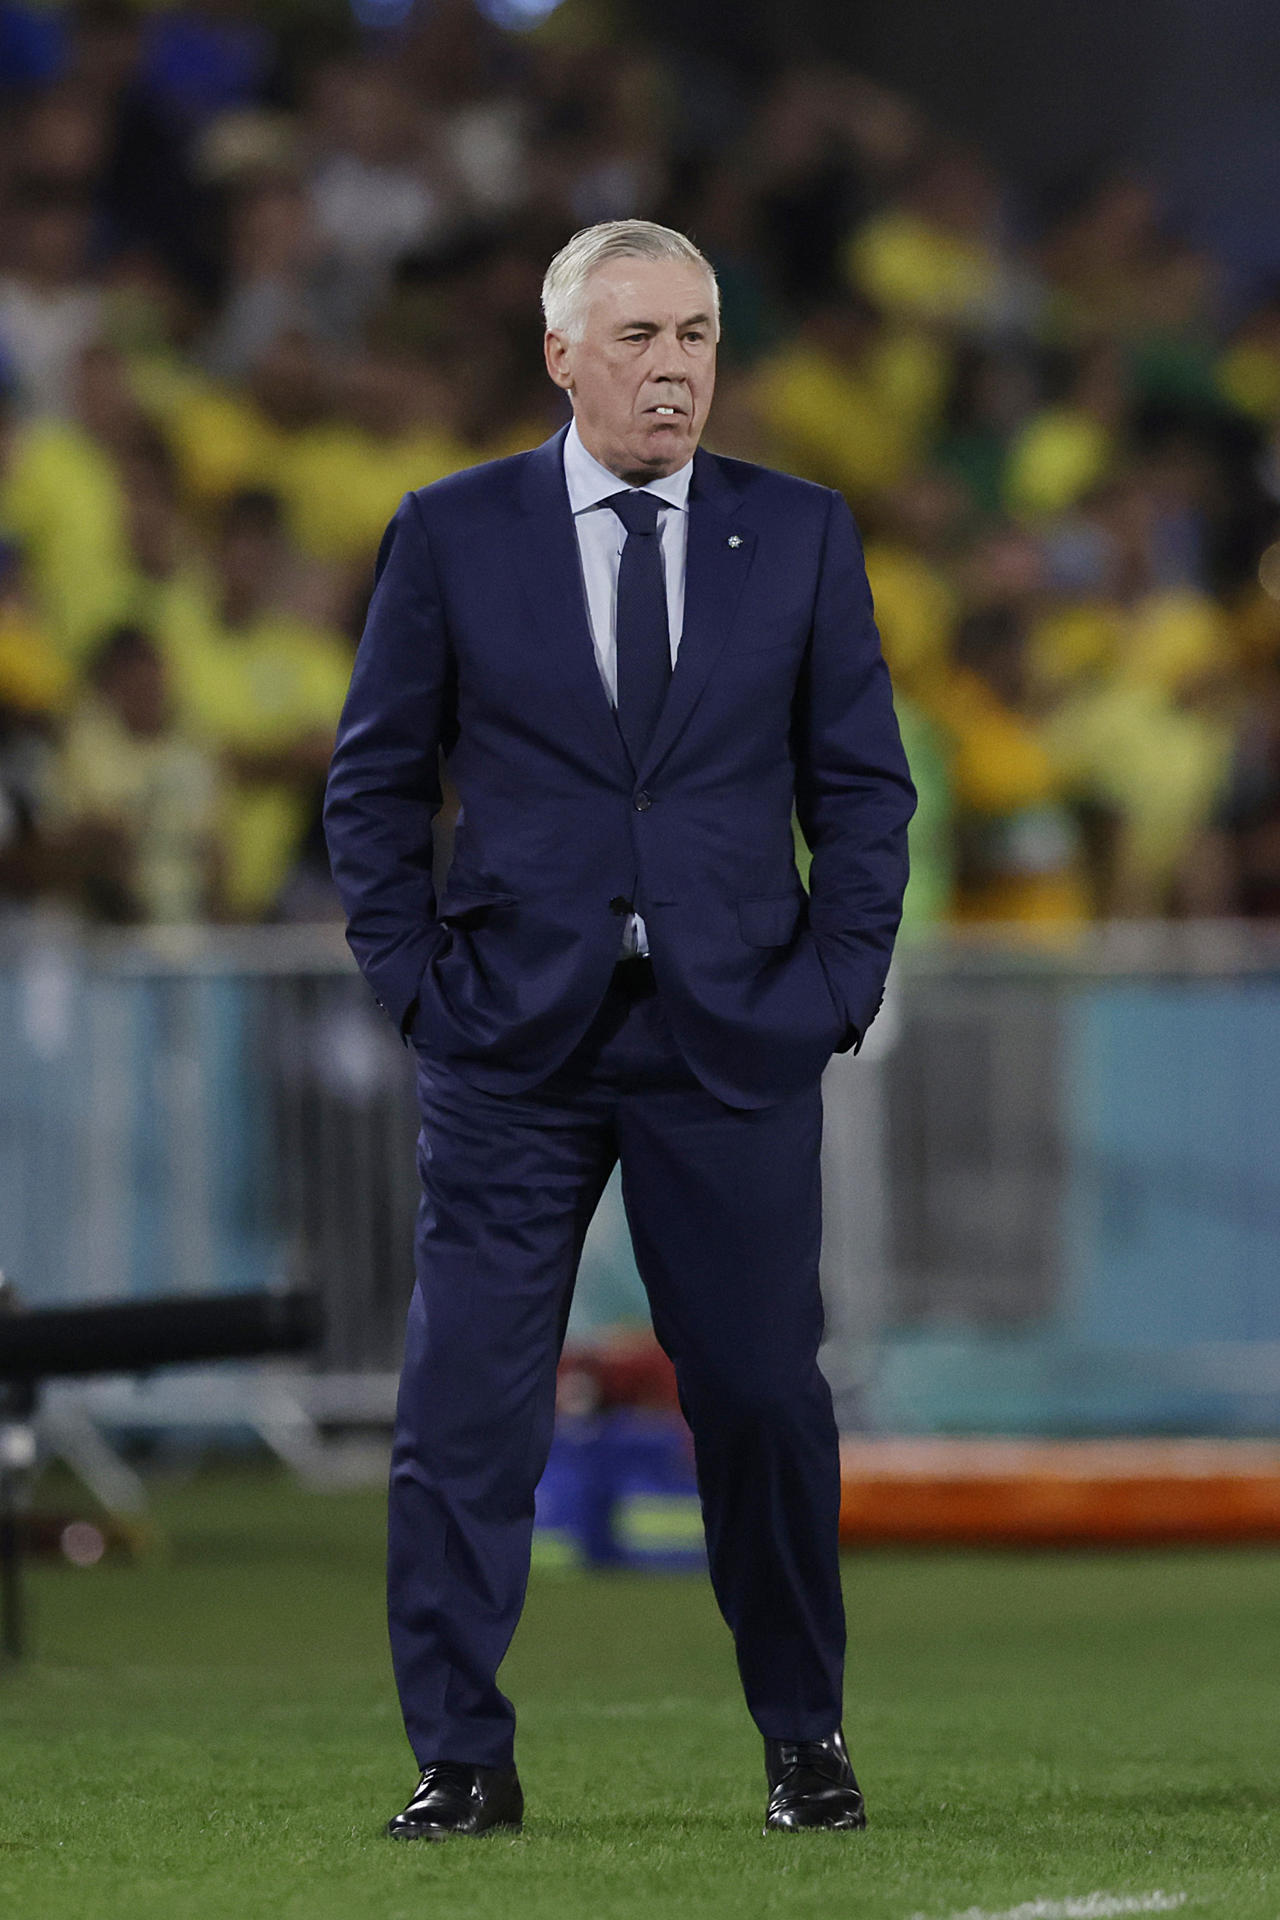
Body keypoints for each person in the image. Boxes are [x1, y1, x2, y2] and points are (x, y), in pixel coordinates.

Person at [324, 219, 916, 1841]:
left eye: (701, 336)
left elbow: (862, 787)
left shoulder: (797, 532)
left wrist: (832, 988)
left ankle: (806, 1736)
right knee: (467, 1410)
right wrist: (417, 988)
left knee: (763, 1403)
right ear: (561, 354)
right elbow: (373, 781)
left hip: (732, 1039)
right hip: (512, 1043)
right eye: (643, 335)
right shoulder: (450, 533)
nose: (676, 368)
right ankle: (461, 1759)